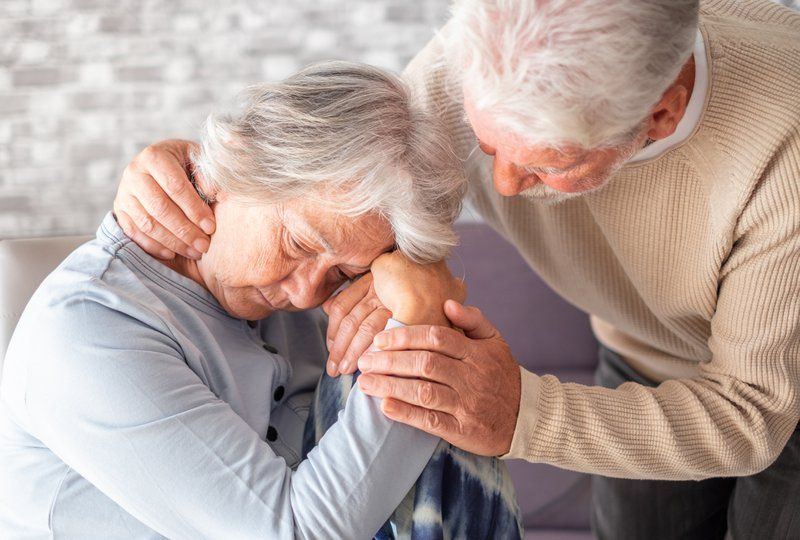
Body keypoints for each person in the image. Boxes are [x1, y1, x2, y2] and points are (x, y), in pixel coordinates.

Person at [110, 0, 800, 537]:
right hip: (639, 352)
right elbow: (335, 184)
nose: (499, 188)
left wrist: (521, 410)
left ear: (660, 114)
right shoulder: (481, 58)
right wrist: (185, 170)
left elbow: (753, 416)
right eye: (486, 140)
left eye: (543, 165)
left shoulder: (785, 147)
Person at [0, 62, 522, 539]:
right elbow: (292, 533)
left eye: (343, 271)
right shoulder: (91, 331)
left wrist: (413, 289)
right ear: (239, 163)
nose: (304, 293)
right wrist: (419, 320)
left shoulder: (298, 299)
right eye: (296, 244)